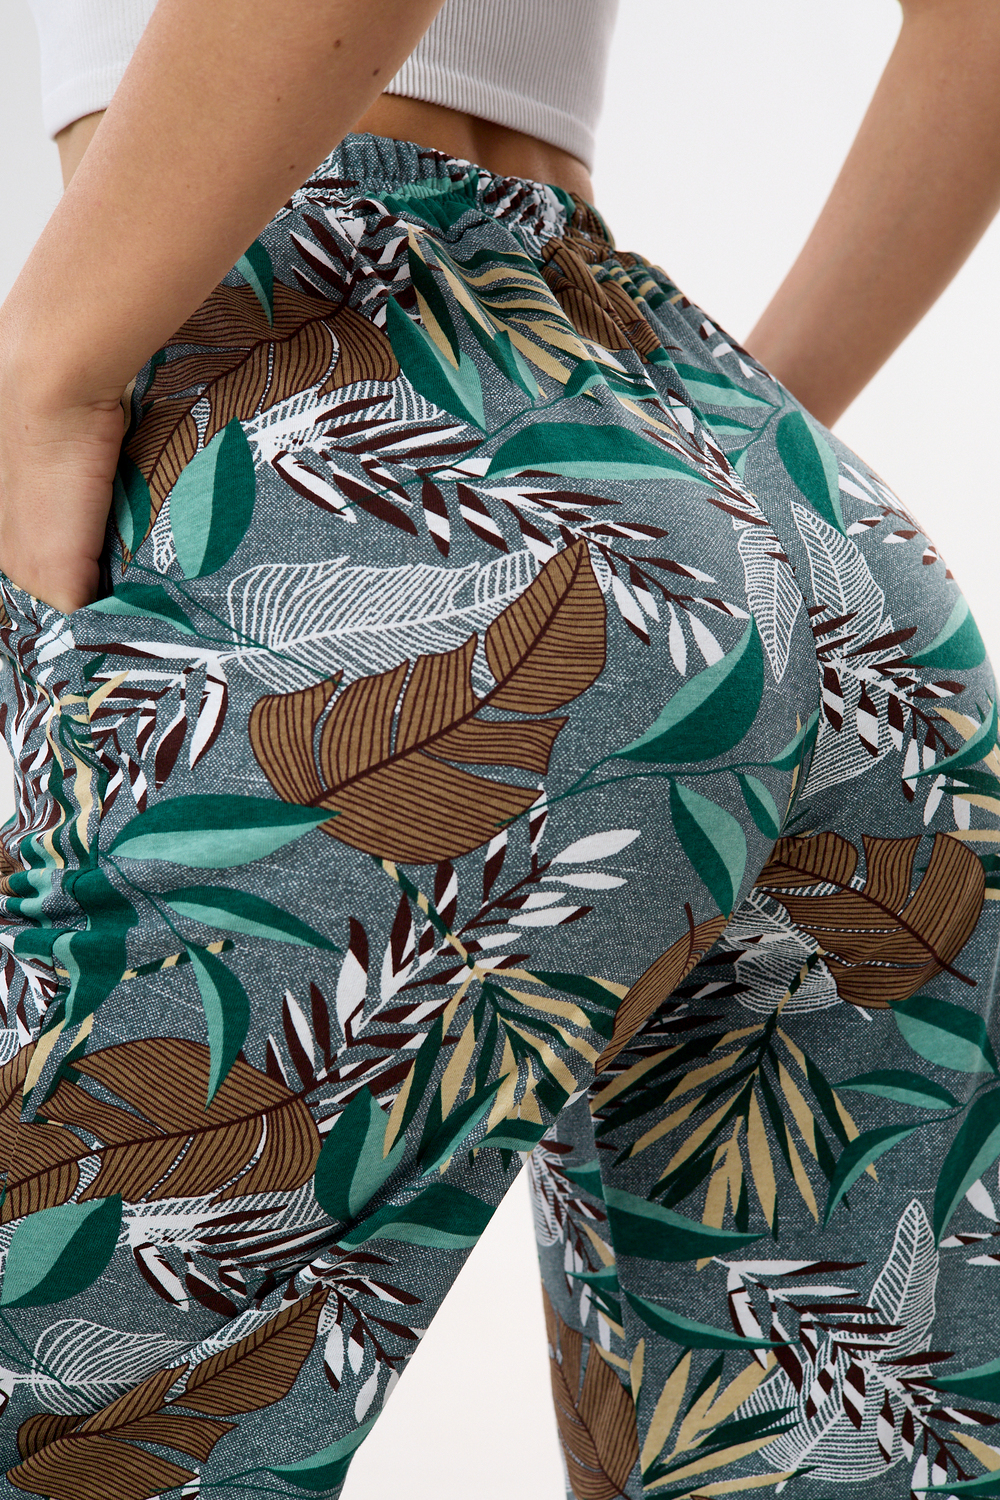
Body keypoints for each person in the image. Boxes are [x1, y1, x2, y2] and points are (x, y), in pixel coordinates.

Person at [0, 1, 999, 1496]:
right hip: (768, 500)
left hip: (345, 449)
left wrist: (48, 363)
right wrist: (711, 518)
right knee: (833, 1440)